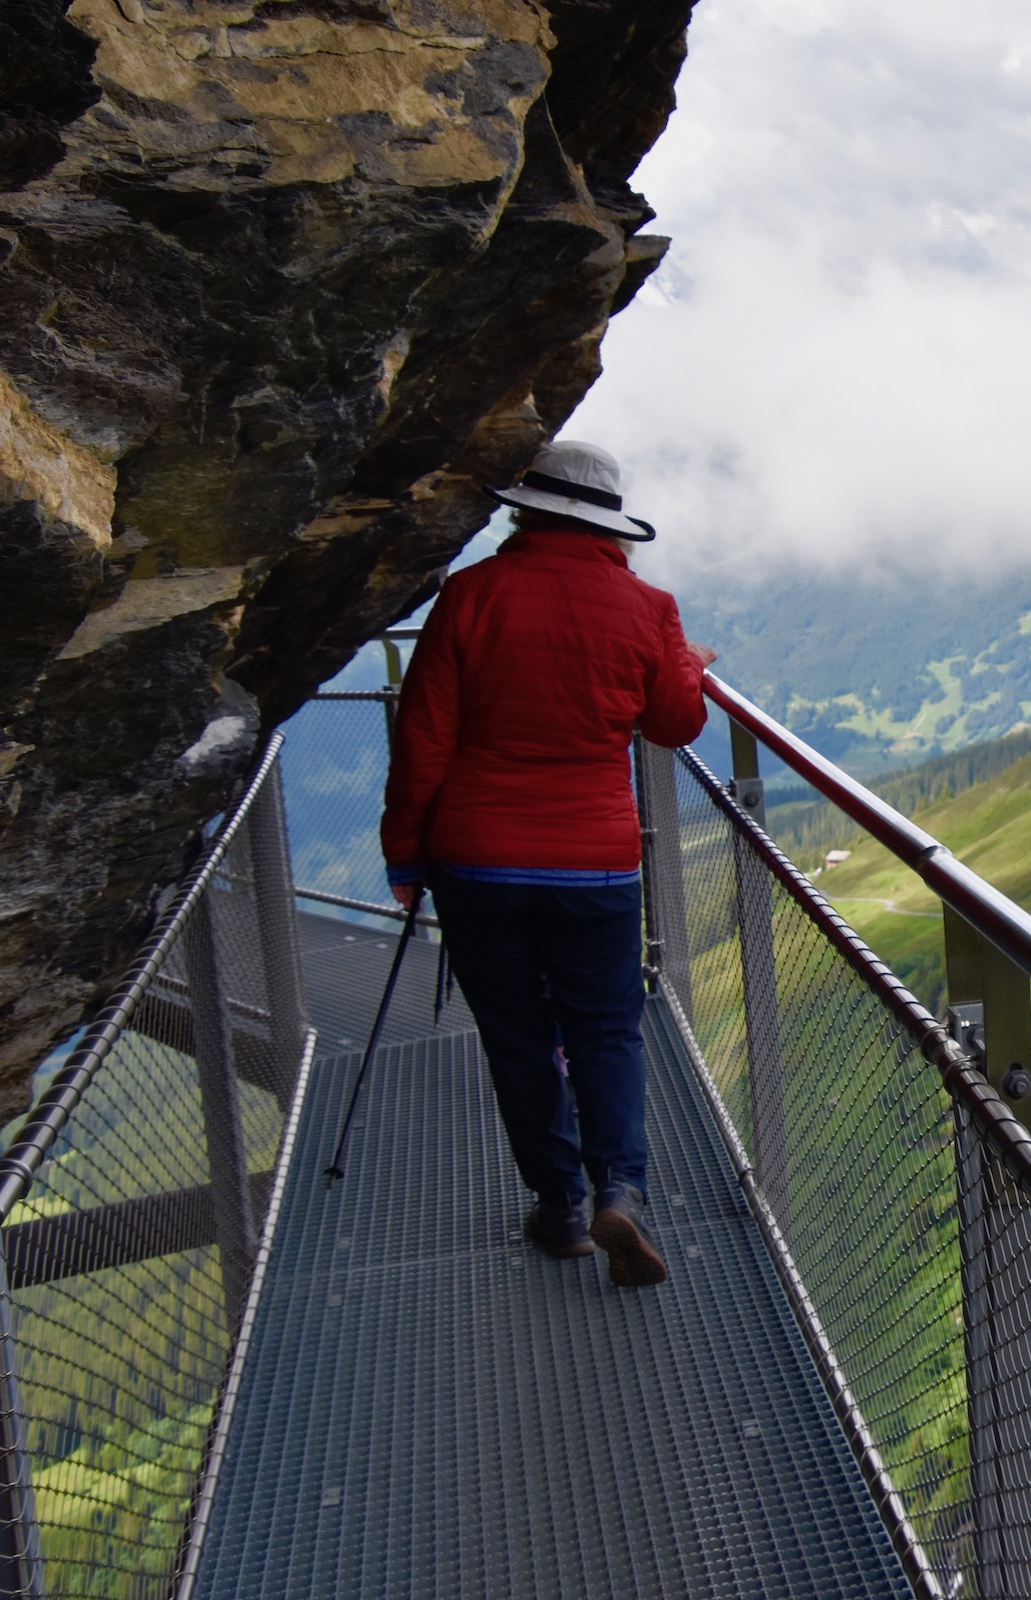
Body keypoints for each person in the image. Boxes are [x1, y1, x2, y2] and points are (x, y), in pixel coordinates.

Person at [379, 439, 712, 1287]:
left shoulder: (470, 596)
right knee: (606, 1028)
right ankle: (622, 1192)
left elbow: (424, 741)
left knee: (518, 1037)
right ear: (612, 527)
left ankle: (559, 1208)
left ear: (525, 511)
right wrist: (686, 664)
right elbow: (675, 724)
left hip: (477, 858)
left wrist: (406, 855)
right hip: (595, 862)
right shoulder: (650, 608)